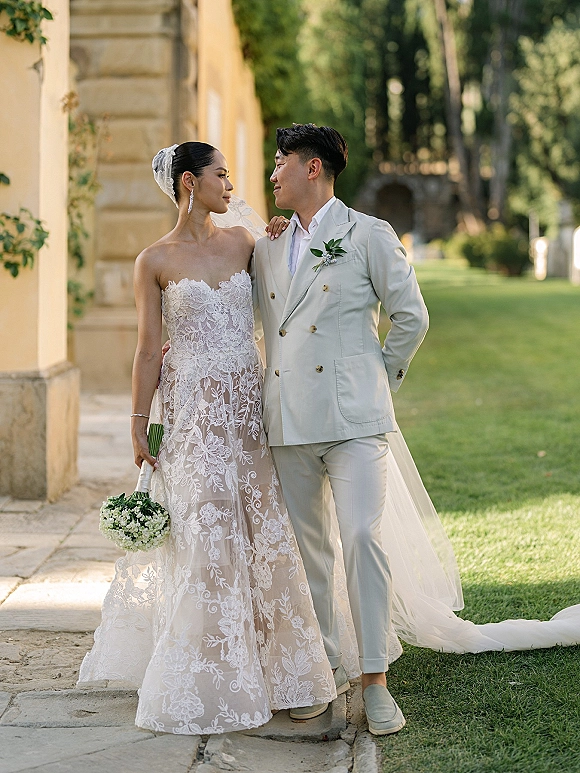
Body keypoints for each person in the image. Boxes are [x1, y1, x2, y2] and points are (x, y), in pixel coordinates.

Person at [252, 123, 580, 735]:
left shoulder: (368, 235)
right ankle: (325, 671)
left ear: (313, 167)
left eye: (280, 163)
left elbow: (411, 316)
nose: (272, 174)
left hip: (355, 419)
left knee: (361, 539)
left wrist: (377, 378)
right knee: (310, 555)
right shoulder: (266, 246)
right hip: (288, 420)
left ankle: (374, 680)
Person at [78, 141, 337, 735]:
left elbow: (286, 292)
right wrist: (138, 424)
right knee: (205, 538)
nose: (232, 184)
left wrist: (277, 234)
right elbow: (147, 350)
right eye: (221, 174)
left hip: (250, 417)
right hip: (193, 419)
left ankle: (291, 675)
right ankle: (211, 675)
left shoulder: (248, 243)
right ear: (190, 182)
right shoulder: (154, 261)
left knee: (265, 537)